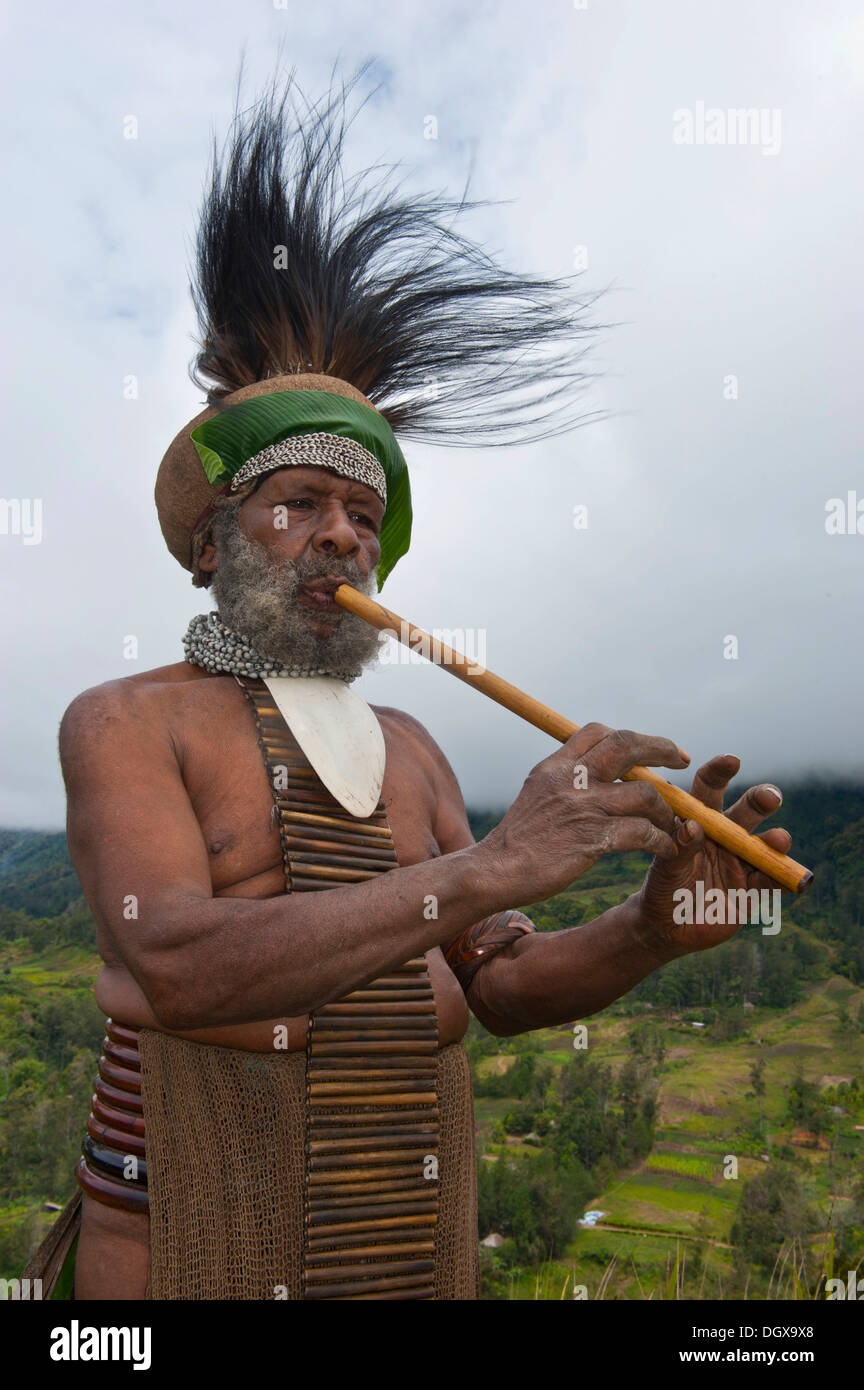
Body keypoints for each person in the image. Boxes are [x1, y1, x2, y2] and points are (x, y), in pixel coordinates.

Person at [52, 74, 793, 1300]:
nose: (342, 539)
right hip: (192, 1241)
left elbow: (493, 982)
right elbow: (170, 963)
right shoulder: (129, 722)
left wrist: (651, 930)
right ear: (210, 543)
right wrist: (494, 863)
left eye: (364, 516)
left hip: (408, 1233)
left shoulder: (413, 749)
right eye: (298, 506)